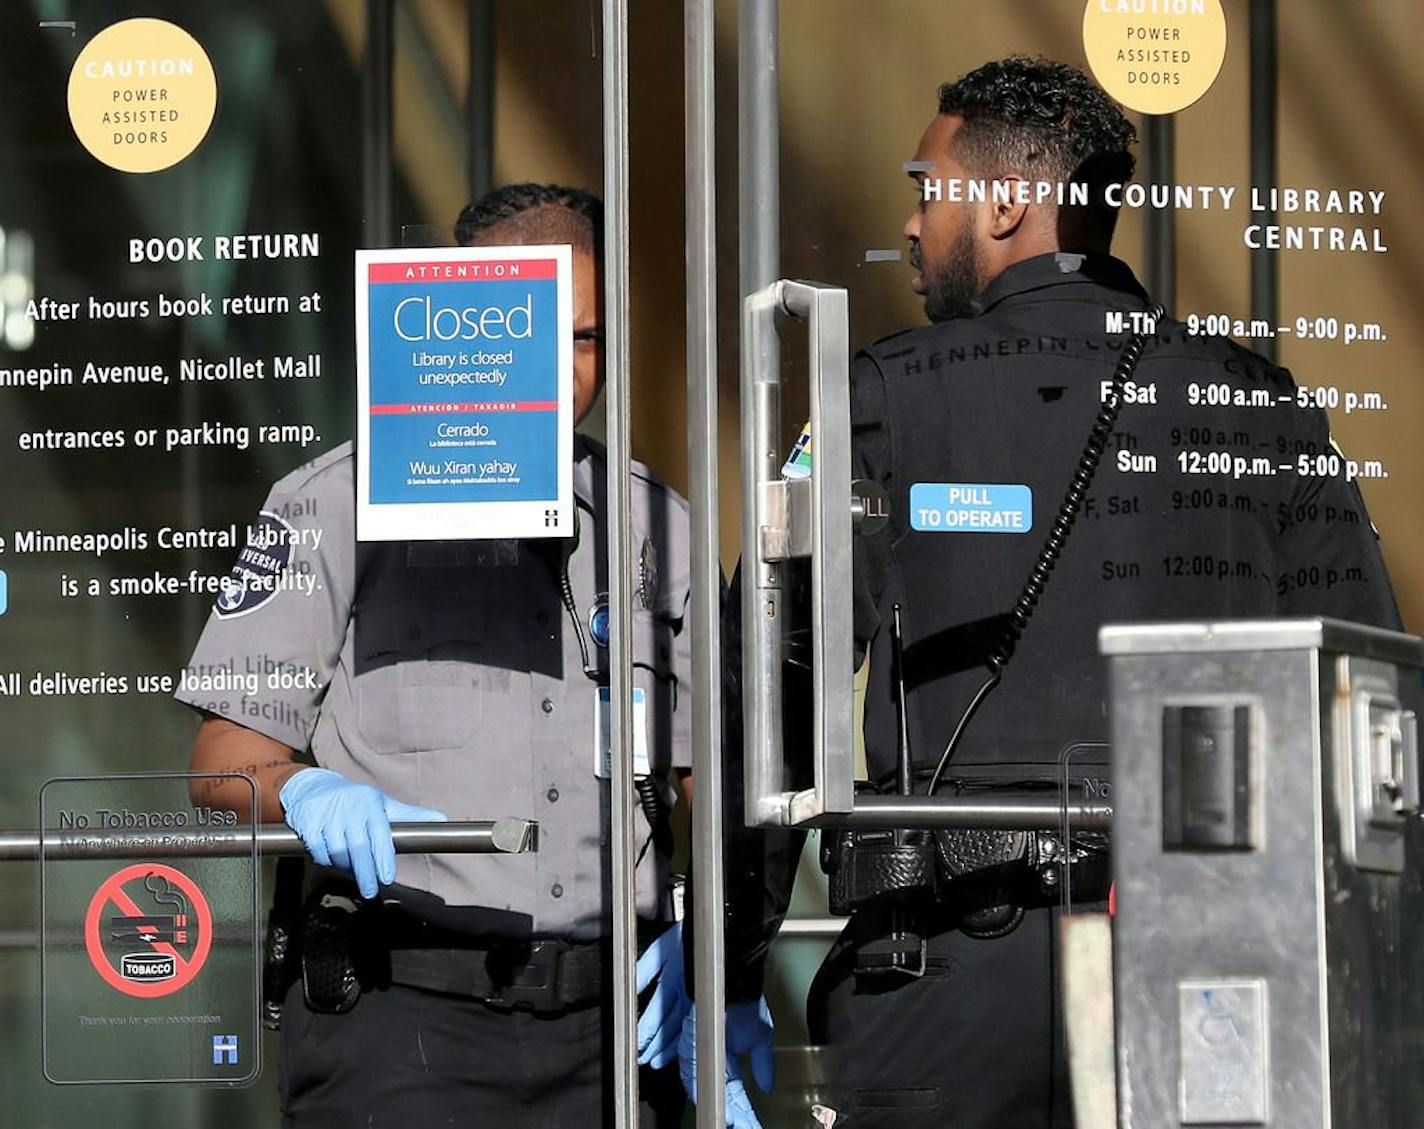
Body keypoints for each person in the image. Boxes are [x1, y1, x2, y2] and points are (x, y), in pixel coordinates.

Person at [804, 57, 1401, 1129]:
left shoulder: (885, 398)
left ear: (1001, 202)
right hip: (1203, 957)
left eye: (925, 189)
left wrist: (722, 933)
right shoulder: (1256, 405)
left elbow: (781, 665)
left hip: (947, 965)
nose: (907, 223)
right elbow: (1359, 686)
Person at [176, 183, 698, 1127]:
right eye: (530, 333)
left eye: (586, 339)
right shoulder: (331, 505)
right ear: (459, 318)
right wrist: (301, 791)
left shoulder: (652, 522)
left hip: (609, 1031)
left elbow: (701, 777)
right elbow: (222, 765)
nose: (564, 370)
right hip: (400, 1020)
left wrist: (715, 942)